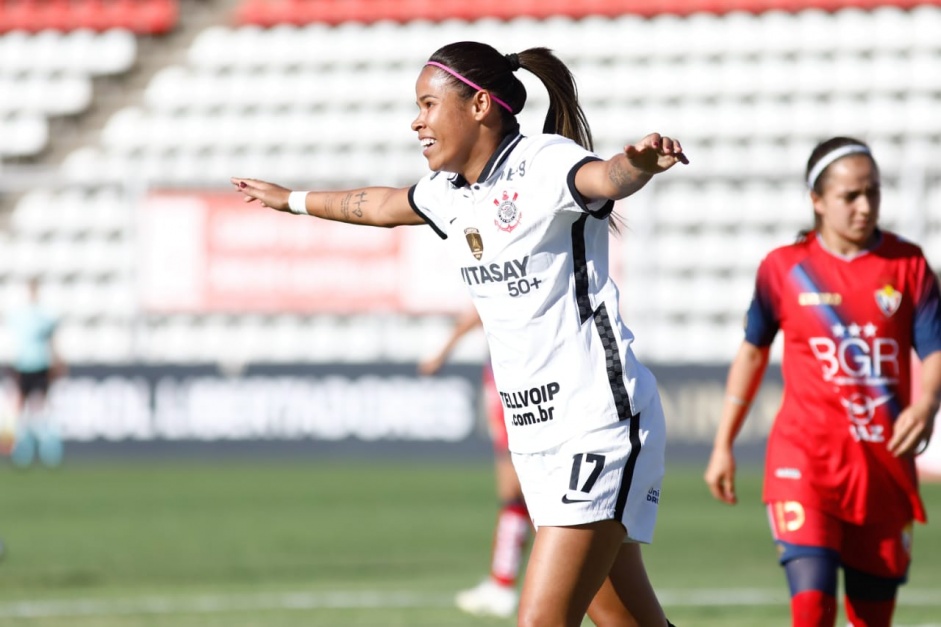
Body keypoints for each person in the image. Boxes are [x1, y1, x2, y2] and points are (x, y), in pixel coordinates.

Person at [233, 41, 686, 627]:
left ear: (478, 105)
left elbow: (605, 177)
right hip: (538, 437)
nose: (416, 120)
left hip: (595, 423)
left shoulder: (544, 162)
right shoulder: (450, 194)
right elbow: (377, 204)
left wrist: (640, 164)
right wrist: (290, 200)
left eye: (427, 103)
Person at [704, 136, 941, 627]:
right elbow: (752, 353)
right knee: (812, 609)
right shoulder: (784, 270)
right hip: (804, 461)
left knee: (871, 619)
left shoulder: (909, 265)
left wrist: (926, 404)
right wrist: (723, 443)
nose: (865, 205)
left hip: (882, 467)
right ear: (817, 200)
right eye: (850, 195)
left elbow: (935, 350)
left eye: (872, 193)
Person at [418, 307, 531, 618]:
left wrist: (441, 354)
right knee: (516, 495)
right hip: (506, 374)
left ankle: (510, 584)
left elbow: (477, 311)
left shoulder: (500, 273)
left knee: (518, 491)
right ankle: (503, 581)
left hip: (515, 379)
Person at [3, 277, 66, 467]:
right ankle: (23, 451)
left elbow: (52, 340)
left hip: (39, 366)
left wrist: (57, 359)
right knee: (21, 410)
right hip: (23, 366)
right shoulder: (18, 315)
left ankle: (49, 451)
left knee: (39, 409)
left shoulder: (44, 316)